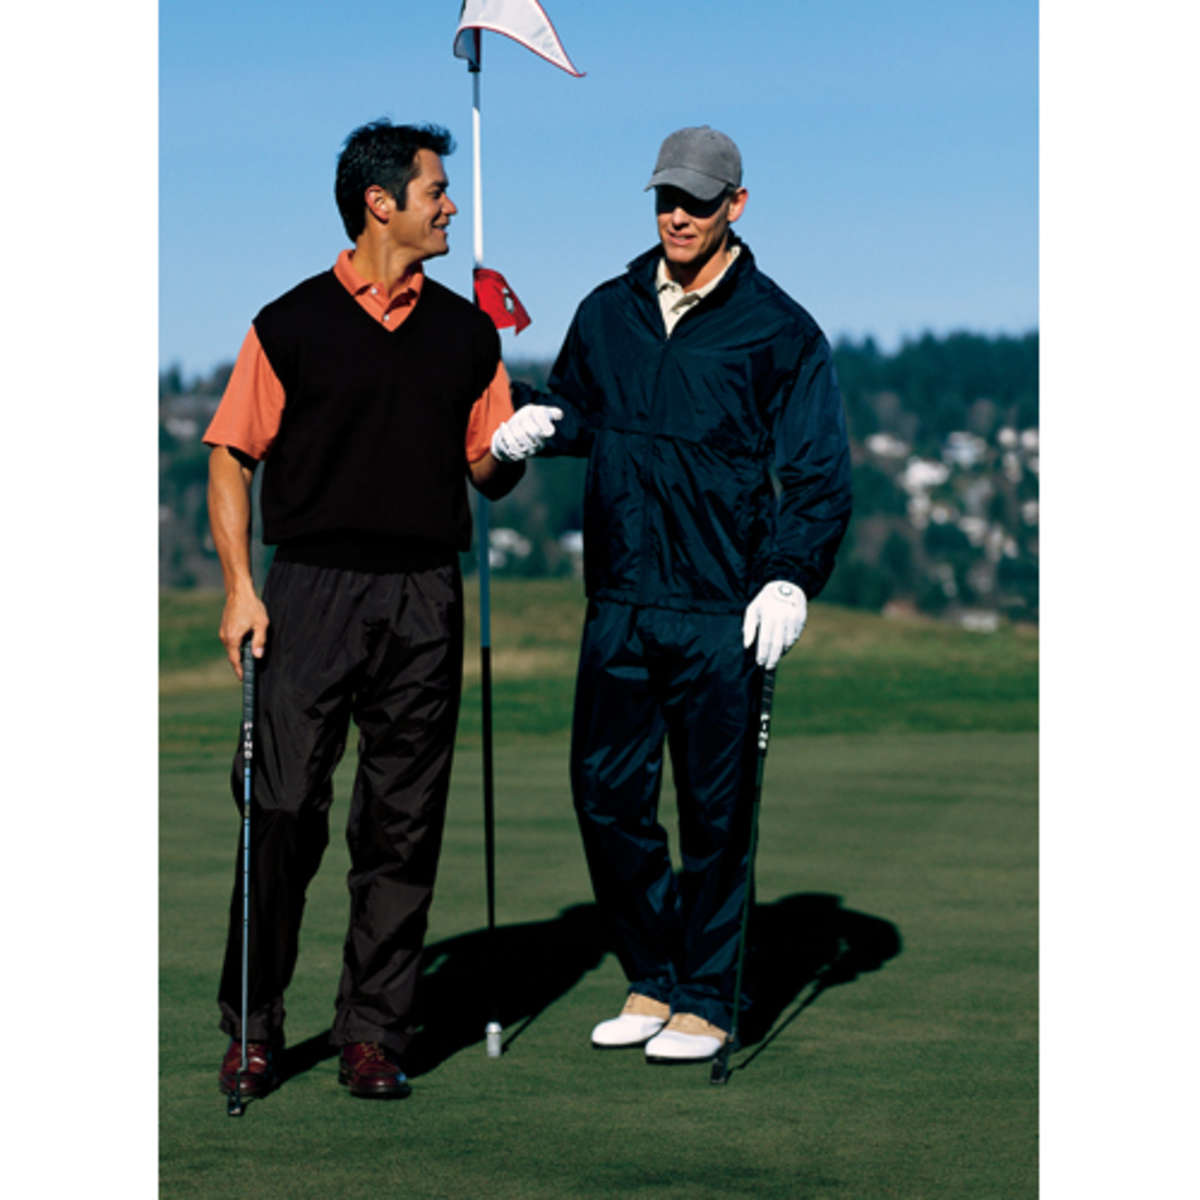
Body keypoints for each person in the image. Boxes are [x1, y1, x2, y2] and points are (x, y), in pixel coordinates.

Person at [489, 125, 853, 1063]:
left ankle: (706, 997)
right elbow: (583, 409)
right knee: (604, 798)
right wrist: (533, 417)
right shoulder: (608, 311)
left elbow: (817, 475)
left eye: (696, 201)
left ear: (736, 205)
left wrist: (789, 575)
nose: (678, 216)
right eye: (666, 199)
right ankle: (652, 973)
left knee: (715, 815)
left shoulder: (780, 330)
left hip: (721, 607)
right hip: (619, 598)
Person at [203, 119, 525, 1102]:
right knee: (280, 809)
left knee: (403, 824)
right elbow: (230, 457)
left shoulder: (468, 333)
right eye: (436, 191)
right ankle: (254, 1028)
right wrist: (239, 587)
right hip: (309, 591)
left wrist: (518, 445)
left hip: (426, 594)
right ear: (380, 203)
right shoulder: (289, 323)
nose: (451, 206)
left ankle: (374, 1033)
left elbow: (486, 471)